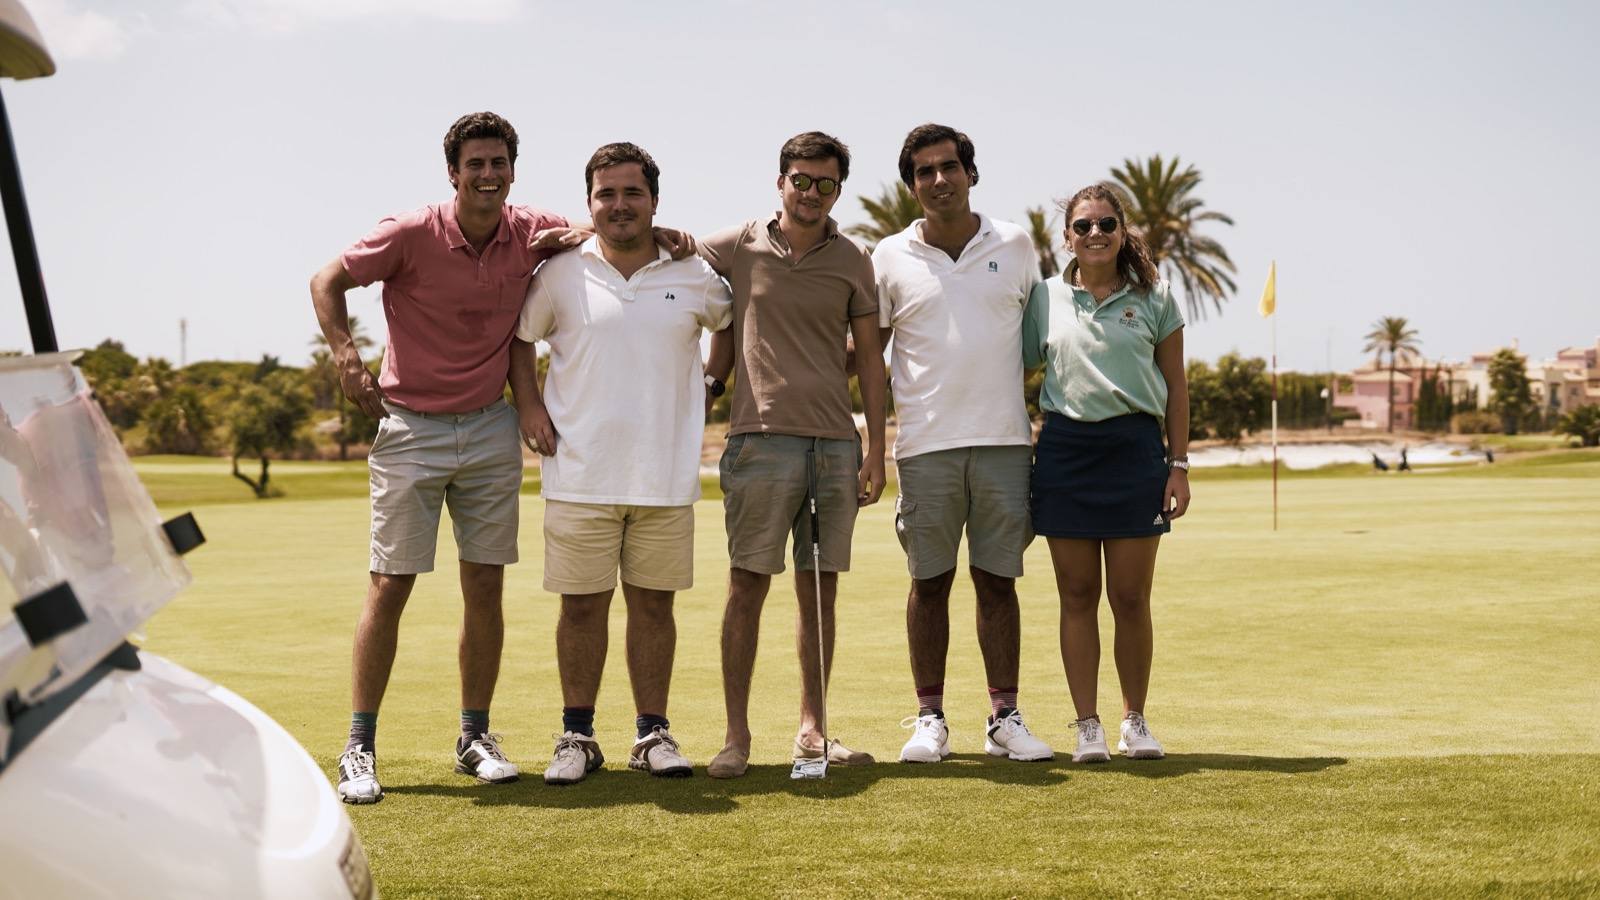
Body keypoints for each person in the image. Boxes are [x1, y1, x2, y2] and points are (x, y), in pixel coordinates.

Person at [309, 112, 689, 804]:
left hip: (490, 430)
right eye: (475, 164)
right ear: (452, 172)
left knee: (484, 586)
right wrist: (346, 358)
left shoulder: (533, 231)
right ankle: (359, 746)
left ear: (513, 170)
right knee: (390, 585)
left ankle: (473, 736)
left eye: (499, 163)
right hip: (410, 428)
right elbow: (326, 279)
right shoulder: (408, 232)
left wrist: (665, 234)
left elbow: (605, 228)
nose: (488, 175)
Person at [507, 143, 731, 785]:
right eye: (606, 194)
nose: (620, 205)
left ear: (654, 201)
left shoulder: (691, 272)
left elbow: (730, 320)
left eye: (632, 193)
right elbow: (521, 343)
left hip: (664, 474)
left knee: (654, 608)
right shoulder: (560, 272)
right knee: (580, 609)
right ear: (590, 203)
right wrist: (529, 410)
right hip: (579, 472)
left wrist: (713, 385)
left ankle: (651, 733)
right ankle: (577, 735)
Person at [698, 131, 888, 778]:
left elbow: (870, 358)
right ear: (780, 181)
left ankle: (813, 730)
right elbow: (655, 243)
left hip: (836, 445)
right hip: (759, 441)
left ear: (839, 191)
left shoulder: (854, 259)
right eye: (801, 180)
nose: (811, 193)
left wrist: (876, 451)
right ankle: (735, 737)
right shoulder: (740, 245)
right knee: (746, 585)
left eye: (825, 184)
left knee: (818, 592)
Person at [869, 124, 1052, 764]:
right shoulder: (888, 256)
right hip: (924, 447)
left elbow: (1048, 342)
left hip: (1005, 442)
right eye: (924, 171)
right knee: (930, 582)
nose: (939, 179)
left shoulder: (1017, 244)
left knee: (998, 582)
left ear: (971, 173)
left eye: (950, 166)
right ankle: (930, 719)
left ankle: (1004, 717)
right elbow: (868, 353)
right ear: (911, 185)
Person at [1022, 183, 1190, 763]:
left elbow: (1176, 389)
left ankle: (1134, 720)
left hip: (1134, 452)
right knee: (1076, 594)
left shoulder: (1156, 297)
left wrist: (1179, 465)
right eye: (1083, 226)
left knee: (1130, 597)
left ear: (1123, 232)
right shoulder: (1043, 298)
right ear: (1066, 236)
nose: (1095, 234)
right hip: (1065, 452)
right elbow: (1012, 368)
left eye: (1106, 225)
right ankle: (1087, 725)